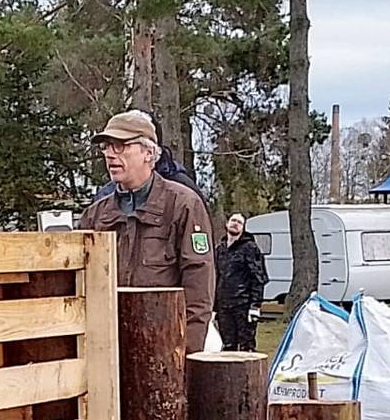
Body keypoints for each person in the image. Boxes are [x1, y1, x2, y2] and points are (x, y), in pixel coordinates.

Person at [79, 110, 215, 351]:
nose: (110, 154)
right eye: (107, 147)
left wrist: (190, 351)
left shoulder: (182, 204)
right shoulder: (96, 214)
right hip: (108, 347)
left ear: (148, 153)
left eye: (121, 146)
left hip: (165, 344)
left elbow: (198, 283)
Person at [213, 213, 265, 352]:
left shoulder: (250, 248)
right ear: (227, 224)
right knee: (227, 345)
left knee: (246, 346)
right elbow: (216, 277)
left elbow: (258, 278)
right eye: (233, 220)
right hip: (224, 306)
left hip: (243, 305)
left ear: (243, 228)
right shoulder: (220, 249)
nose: (235, 223)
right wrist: (214, 307)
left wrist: (255, 306)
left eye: (240, 222)